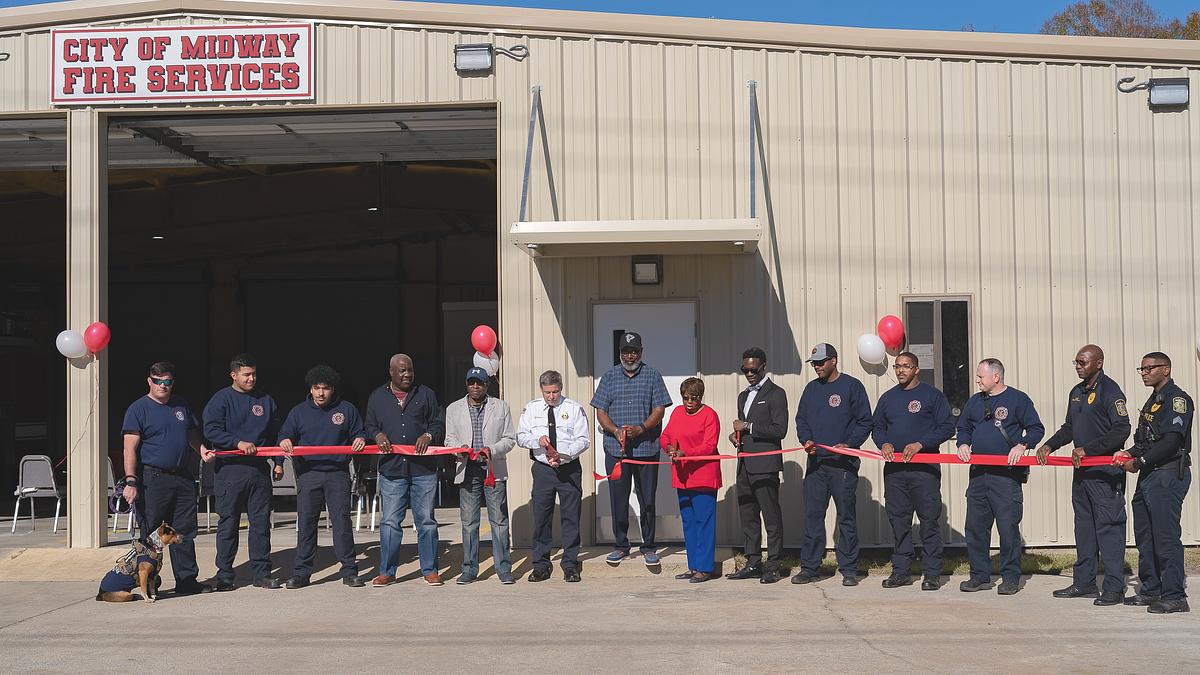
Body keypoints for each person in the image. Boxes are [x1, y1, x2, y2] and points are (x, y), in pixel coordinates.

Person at [1035, 345, 1131, 606]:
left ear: (1098, 363)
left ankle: (1113, 587)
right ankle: (1085, 583)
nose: (1078, 366)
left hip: (1104, 474)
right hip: (1082, 475)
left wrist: (1089, 450)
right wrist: (1049, 445)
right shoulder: (1076, 393)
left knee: (1109, 529)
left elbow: (1122, 429)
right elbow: (1070, 427)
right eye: (1076, 362)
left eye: (1083, 362)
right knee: (1084, 529)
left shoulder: (1110, 391)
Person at [119, 361, 211, 595]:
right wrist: (131, 481)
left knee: (184, 532)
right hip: (153, 478)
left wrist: (201, 450)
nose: (163, 386)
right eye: (158, 381)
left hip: (182, 477)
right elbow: (129, 448)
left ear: (172, 382)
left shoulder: (180, 405)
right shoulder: (138, 409)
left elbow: (191, 432)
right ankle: (150, 582)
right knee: (151, 534)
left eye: (167, 382)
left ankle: (187, 580)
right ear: (150, 381)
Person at [956, 358, 1044, 596]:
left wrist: (1023, 445)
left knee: (1007, 529)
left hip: (1005, 477)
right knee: (975, 528)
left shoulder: (1018, 399)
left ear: (996, 377)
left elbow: (1036, 428)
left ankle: (1010, 578)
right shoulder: (974, 402)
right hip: (978, 476)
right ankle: (979, 577)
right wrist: (963, 443)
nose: (977, 380)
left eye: (980, 376)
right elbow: (963, 427)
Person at [871, 351, 956, 591]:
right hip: (895, 472)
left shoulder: (932, 396)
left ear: (917, 369)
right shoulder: (888, 398)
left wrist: (921, 444)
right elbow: (877, 427)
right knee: (899, 522)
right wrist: (884, 443)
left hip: (924, 471)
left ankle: (931, 573)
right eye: (897, 366)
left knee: (929, 522)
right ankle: (901, 571)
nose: (900, 370)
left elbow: (948, 426)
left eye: (906, 366)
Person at [277, 365, 367, 589]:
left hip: (338, 474)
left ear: (332, 389)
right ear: (310, 388)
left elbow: (360, 432)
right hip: (309, 475)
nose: (320, 393)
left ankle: (349, 571)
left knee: (342, 524)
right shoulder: (299, 412)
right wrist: (285, 441)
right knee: (306, 525)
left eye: (325, 389)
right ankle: (301, 573)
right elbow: (285, 434)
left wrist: (360, 439)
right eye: (316, 388)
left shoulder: (347, 409)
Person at [1117, 352, 1192, 614]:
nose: (1144, 372)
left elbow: (1171, 441)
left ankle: (1174, 595)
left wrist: (1139, 463)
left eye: (1150, 368)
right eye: (1142, 368)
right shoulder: (1154, 401)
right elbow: (1146, 440)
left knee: (1165, 536)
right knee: (1145, 536)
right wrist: (1129, 453)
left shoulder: (1177, 399)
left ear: (1166, 369)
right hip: (1150, 474)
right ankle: (1151, 589)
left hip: (1168, 474)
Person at [202, 353, 284, 591]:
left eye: (254, 374)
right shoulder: (221, 399)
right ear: (233, 375)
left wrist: (278, 461)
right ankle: (225, 575)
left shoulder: (265, 400)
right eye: (246, 375)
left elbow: (275, 434)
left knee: (261, 525)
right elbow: (211, 430)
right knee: (229, 524)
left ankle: (261, 573)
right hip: (230, 471)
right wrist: (236, 442)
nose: (251, 379)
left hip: (259, 472)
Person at [792, 343, 872, 587]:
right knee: (813, 516)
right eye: (814, 363)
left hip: (843, 464)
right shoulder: (811, 390)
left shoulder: (851, 387)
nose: (816, 367)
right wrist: (805, 440)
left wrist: (849, 444)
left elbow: (865, 421)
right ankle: (810, 567)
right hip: (817, 464)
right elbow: (801, 420)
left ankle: (849, 568)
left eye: (821, 362)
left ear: (834, 361)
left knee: (846, 516)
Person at [591, 331, 673, 568]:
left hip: (646, 449)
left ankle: (648, 547)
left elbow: (659, 409)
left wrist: (642, 428)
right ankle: (621, 545)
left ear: (641, 352)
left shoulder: (652, 376)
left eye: (634, 351)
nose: (630, 355)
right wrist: (615, 430)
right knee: (619, 499)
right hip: (616, 451)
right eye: (626, 352)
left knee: (648, 499)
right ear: (620, 353)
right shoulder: (608, 377)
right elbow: (601, 411)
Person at [364, 354, 445, 587]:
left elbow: (437, 424)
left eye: (410, 370)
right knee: (390, 522)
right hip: (391, 470)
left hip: (423, 469)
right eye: (402, 371)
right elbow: (369, 425)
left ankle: (430, 570)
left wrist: (428, 435)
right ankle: (387, 571)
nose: (407, 374)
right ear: (391, 372)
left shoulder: (426, 394)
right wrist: (377, 435)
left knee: (426, 521)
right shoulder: (377, 397)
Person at [445, 367, 517, 585]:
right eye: (471, 383)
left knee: (499, 520)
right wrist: (460, 448)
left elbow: (509, 438)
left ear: (487, 385)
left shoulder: (501, 407)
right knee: (469, 523)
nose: (475, 387)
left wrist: (491, 450)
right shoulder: (453, 409)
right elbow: (449, 440)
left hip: (492, 469)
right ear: (466, 385)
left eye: (480, 383)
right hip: (467, 469)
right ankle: (469, 569)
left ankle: (503, 568)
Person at [517, 370, 590, 583]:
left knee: (570, 518)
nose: (552, 396)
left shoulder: (574, 409)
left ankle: (570, 564)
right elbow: (521, 437)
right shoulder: (531, 409)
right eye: (548, 392)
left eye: (555, 392)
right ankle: (540, 565)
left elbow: (583, 440)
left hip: (568, 470)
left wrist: (564, 456)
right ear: (542, 390)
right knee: (541, 518)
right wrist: (536, 441)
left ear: (561, 388)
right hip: (543, 471)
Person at [726, 347, 788, 584]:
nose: (749, 373)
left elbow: (779, 430)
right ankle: (753, 562)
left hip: (765, 465)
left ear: (764, 367)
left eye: (753, 369)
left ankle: (773, 565)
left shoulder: (776, 394)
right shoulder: (743, 396)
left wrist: (748, 427)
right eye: (745, 369)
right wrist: (736, 436)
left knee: (771, 517)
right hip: (744, 464)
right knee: (748, 517)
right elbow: (743, 428)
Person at [660, 377, 721, 583]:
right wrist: (669, 448)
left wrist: (686, 453)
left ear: (700, 397)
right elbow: (665, 435)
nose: (688, 402)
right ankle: (693, 565)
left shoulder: (709, 415)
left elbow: (709, 446)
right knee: (688, 522)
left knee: (704, 522)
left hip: (703, 476)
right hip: (682, 476)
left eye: (693, 398)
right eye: (685, 397)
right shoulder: (677, 412)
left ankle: (704, 567)